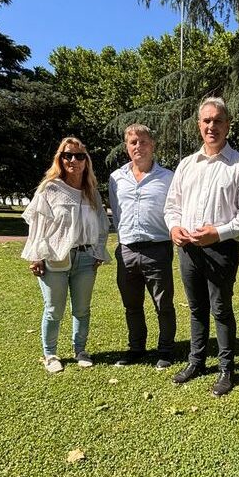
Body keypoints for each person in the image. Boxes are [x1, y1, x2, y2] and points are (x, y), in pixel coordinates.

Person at [164, 97, 239, 396]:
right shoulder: (186, 165)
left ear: (227, 125)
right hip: (188, 249)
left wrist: (218, 233)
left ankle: (226, 369)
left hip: (221, 249)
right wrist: (174, 227)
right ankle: (196, 362)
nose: (211, 126)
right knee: (196, 309)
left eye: (218, 120)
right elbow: (172, 206)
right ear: (198, 126)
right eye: (206, 120)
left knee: (220, 309)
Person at [22, 137, 110, 373]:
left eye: (79, 156)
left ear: (86, 161)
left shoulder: (91, 191)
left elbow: (102, 224)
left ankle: (80, 350)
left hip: (85, 258)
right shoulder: (50, 188)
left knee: (82, 309)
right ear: (60, 159)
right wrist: (36, 256)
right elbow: (37, 225)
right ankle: (50, 355)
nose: (73, 160)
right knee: (54, 310)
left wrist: (99, 250)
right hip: (55, 258)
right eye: (67, 155)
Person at [109, 124, 176, 368]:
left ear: (152, 145)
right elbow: (117, 212)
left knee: (163, 304)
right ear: (127, 147)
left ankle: (166, 350)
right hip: (127, 250)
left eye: (143, 141)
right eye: (133, 142)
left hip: (157, 249)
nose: (138, 146)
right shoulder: (116, 178)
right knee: (131, 305)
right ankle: (136, 348)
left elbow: (174, 211)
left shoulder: (168, 177)